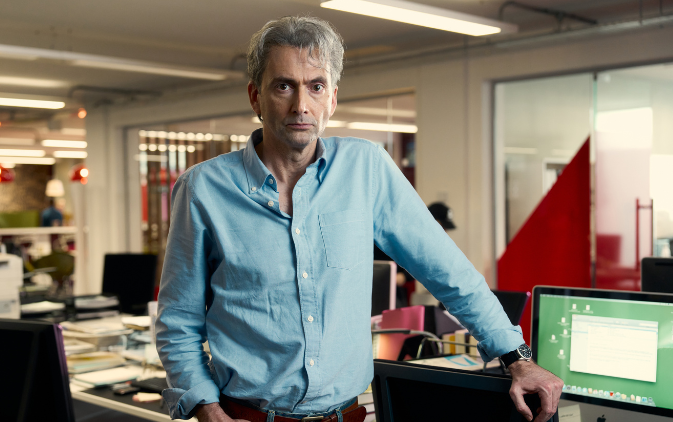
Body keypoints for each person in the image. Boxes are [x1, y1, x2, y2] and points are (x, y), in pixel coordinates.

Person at [156, 16, 563, 422]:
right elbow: (178, 320)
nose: (301, 105)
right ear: (255, 97)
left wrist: (518, 357)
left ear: (331, 99)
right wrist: (206, 407)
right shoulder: (202, 190)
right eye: (284, 86)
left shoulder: (365, 168)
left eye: (315, 87)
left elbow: (450, 272)